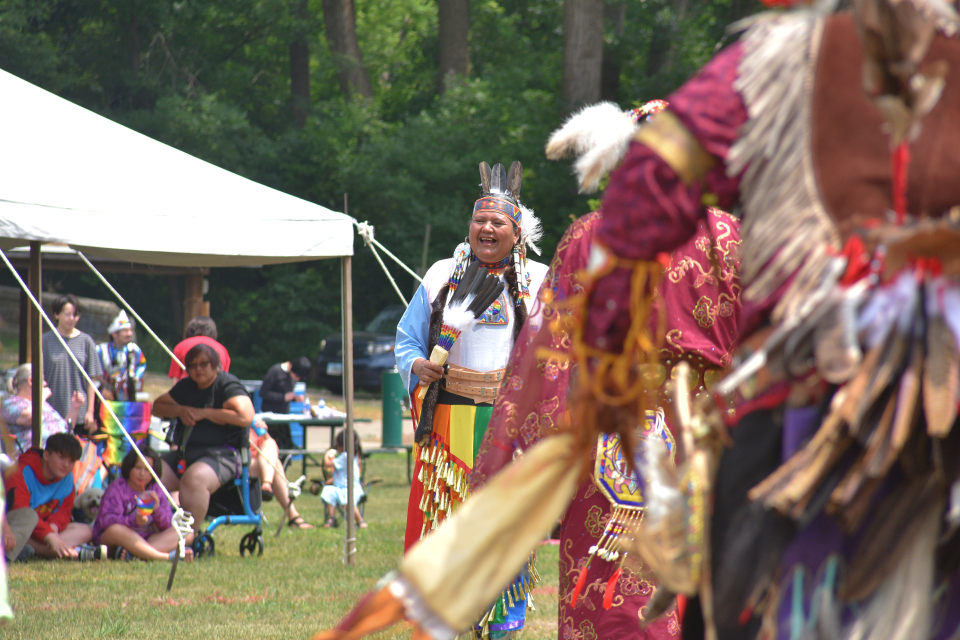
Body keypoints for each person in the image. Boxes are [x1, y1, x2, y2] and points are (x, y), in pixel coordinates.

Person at [394, 160, 549, 637]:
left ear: (516, 232)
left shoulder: (540, 281)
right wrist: (416, 366)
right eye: (479, 220)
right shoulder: (442, 274)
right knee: (448, 521)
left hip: (509, 422)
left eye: (498, 222)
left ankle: (503, 621)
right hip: (451, 422)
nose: (486, 228)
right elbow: (406, 340)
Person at [153, 343, 255, 535]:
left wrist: (206, 413)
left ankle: (188, 537)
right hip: (185, 453)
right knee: (147, 470)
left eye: (203, 364)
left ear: (216, 365)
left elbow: (245, 416)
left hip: (224, 455)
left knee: (195, 478)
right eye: (191, 366)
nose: (197, 369)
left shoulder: (226, 385)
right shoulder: (186, 387)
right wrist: (181, 410)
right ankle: (144, 528)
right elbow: (157, 407)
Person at [4, 433, 102, 561]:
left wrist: (54, 527)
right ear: (46, 455)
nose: (66, 465)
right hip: (16, 528)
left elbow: (64, 512)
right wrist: (50, 536)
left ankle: (37, 549)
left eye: (72, 461)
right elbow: (20, 510)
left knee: (86, 531)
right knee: (29, 517)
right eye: (62, 458)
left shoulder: (66, 478)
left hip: (44, 531)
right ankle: (68, 551)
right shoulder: (21, 472)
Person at [91, 446, 193, 561]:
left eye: (148, 470)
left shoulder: (156, 489)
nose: (142, 474)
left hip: (147, 539)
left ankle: (136, 555)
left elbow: (168, 525)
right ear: (129, 467)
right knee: (116, 530)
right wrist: (134, 520)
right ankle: (165, 557)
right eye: (138, 468)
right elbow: (106, 521)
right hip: (115, 540)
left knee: (186, 533)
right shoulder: (117, 488)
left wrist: (157, 510)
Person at [41, 294, 101, 435]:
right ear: (56, 314)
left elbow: (91, 381)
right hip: (51, 410)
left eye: (75, 315)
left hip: (80, 413)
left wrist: (90, 411)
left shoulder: (86, 342)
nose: (72, 319)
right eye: (67, 314)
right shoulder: (45, 341)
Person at [1, 363, 83, 452]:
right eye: (42, 379)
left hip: (62, 452)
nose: (45, 383)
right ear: (31, 381)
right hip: (33, 457)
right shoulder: (9, 402)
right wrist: (41, 397)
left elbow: (65, 427)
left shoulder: (41, 404)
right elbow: (30, 417)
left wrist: (75, 407)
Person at [250, 418, 313, 529]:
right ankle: (293, 516)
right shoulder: (234, 420)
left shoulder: (252, 420)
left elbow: (272, 447)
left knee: (270, 443)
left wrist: (265, 433)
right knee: (276, 464)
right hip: (240, 463)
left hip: (260, 464)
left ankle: (266, 482)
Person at [258, 356, 311, 450]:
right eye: (297, 376)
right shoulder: (275, 371)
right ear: (291, 368)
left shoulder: (294, 374)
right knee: (273, 447)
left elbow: (285, 394)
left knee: (288, 446)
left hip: (284, 416)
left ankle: (284, 464)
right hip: (271, 417)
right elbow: (263, 393)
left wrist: (295, 398)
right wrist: (283, 397)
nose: (297, 379)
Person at [95, 310, 147, 402]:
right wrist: (103, 381)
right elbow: (94, 369)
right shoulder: (101, 350)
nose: (129, 334)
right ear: (115, 334)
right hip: (107, 393)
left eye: (130, 330)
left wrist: (137, 377)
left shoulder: (134, 349)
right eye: (125, 331)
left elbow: (142, 363)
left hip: (128, 392)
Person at [320, 428, 365, 529]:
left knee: (347, 498)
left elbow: (327, 464)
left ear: (341, 446)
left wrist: (327, 454)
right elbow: (342, 476)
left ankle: (360, 521)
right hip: (340, 488)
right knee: (328, 491)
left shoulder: (346, 456)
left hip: (352, 489)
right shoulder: (351, 456)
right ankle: (332, 518)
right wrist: (329, 482)